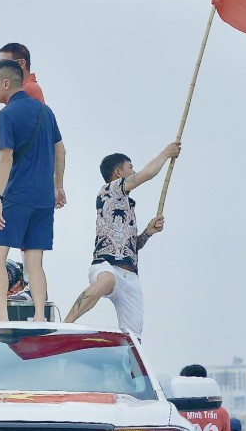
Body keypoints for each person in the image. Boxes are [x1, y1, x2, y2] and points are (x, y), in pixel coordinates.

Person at [63, 144, 180, 338]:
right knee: (107, 280)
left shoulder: (127, 205)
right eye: (130, 168)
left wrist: (147, 233)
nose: (134, 171)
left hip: (131, 276)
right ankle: (66, 324)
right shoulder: (109, 190)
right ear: (118, 173)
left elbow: (134, 248)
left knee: (134, 338)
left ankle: (129, 367)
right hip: (106, 265)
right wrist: (166, 153)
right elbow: (147, 174)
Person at [0, 59, 65, 322]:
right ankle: (40, 316)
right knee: (35, 261)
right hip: (43, 198)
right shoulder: (46, 111)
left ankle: (3, 315)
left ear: (7, 83)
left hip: (16, 195)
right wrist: (58, 186)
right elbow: (61, 150)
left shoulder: (7, 115)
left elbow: (5, 158)